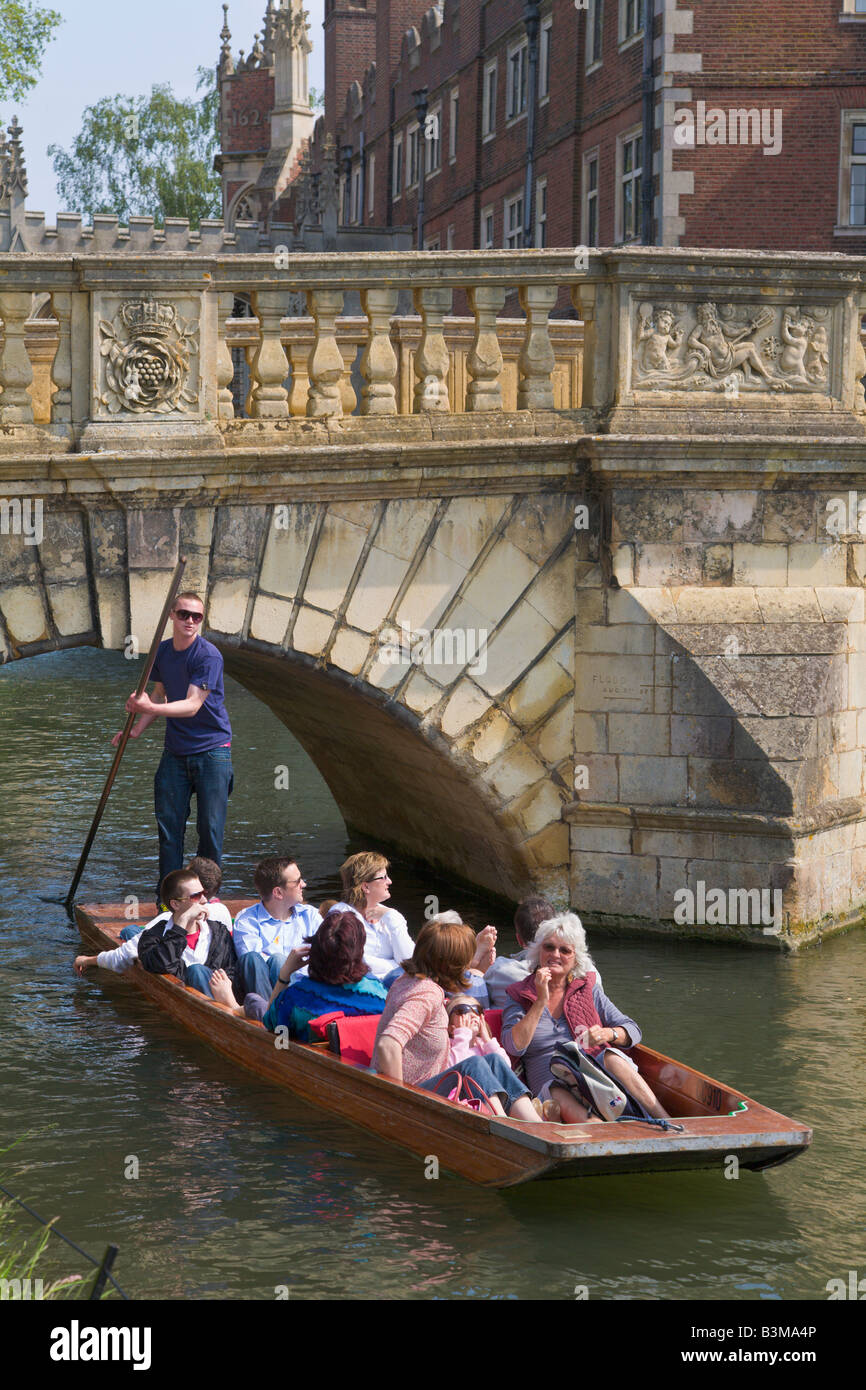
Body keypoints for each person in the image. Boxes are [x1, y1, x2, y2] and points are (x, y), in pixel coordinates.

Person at [112, 590, 233, 904]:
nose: (190, 621)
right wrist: (136, 729)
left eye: (197, 616)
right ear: (171, 615)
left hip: (213, 750)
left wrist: (147, 708)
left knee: (210, 829)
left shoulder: (208, 655)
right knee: (169, 829)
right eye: (184, 614)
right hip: (176, 753)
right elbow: (160, 694)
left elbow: (192, 705)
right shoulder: (162, 652)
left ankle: (207, 898)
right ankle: (169, 898)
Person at [501, 913, 670, 1124]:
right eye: (549, 947)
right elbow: (512, 1046)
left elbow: (633, 1030)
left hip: (589, 1074)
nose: (555, 954)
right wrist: (540, 1001)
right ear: (538, 951)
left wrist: (607, 1033)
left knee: (612, 1057)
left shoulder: (587, 989)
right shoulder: (519, 993)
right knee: (558, 1093)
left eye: (565, 950)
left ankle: (668, 1122)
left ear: (575, 959)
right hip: (550, 1085)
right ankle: (606, 1137)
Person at [372, 915, 542, 1122]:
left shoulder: (405, 981)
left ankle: (535, 1125)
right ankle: (503, 1126)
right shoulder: (428, 992)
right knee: (474, 1065)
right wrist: (399, 1102)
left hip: (429, 1084)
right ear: (450, 964)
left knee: (494, 1061)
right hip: (415, 1094)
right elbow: (388, 1044)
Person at [255, 910, 388, 1039]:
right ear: (360, 951)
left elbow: (273, 1029)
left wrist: (284, 975)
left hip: (302, 1060)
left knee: (253, 1001)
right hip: (357, 1061)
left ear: (315, 949)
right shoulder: (380, 996)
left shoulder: (293, 998)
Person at [136, 868, 240, 1001]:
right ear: (175, 904)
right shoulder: (153, 937)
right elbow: (161, 965)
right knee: (196, 970)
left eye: (204, 893)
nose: (203, 900)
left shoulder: (219, 932)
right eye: (196, 896)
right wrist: (182, 923)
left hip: (227, 1001)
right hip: (190, 1005)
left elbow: (232, 970)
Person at [232, 856, 323, 1000]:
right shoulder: (247, 920)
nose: (304, 884)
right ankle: (268, 1017)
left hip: (308, 989)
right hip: (268, 992)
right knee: (269, 960)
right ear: (278, 893)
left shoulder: (311, 916)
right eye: (298, 881)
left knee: (278, 961)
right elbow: (255, 968)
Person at [328, 852, 416, 979]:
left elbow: (409, 960)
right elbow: (355, 961)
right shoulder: (341, 914)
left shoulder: (389, 914)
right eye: (383, 877)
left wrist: (391, 917)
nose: (389, 881)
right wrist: (398, 968)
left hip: (394, 984)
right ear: (365, 886)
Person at [445, 994, 512, 1070]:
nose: (473, 1015)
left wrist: (487, 1040)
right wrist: (462, 1037)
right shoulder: (447, 1047)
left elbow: (506, 1068)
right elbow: (452, 1072)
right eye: (463, 1011)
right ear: (450, 1027)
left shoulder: (484, 1045)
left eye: (477, 1010)